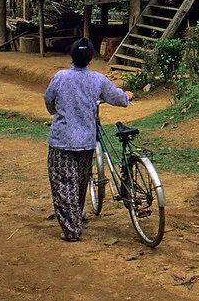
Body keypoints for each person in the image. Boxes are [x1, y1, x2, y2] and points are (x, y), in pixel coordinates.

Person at [43, 37, 133, 242]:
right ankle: (76, 216)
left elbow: (49, 100)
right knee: (80, 182)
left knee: (64, 184)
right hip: (85, 141)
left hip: (62, 140)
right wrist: (127, 96)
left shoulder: (60, 77)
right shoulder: (97, 79)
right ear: (90, 58)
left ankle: (71, 229)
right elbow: (116, 97)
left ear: (72, 56)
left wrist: (53, 111)